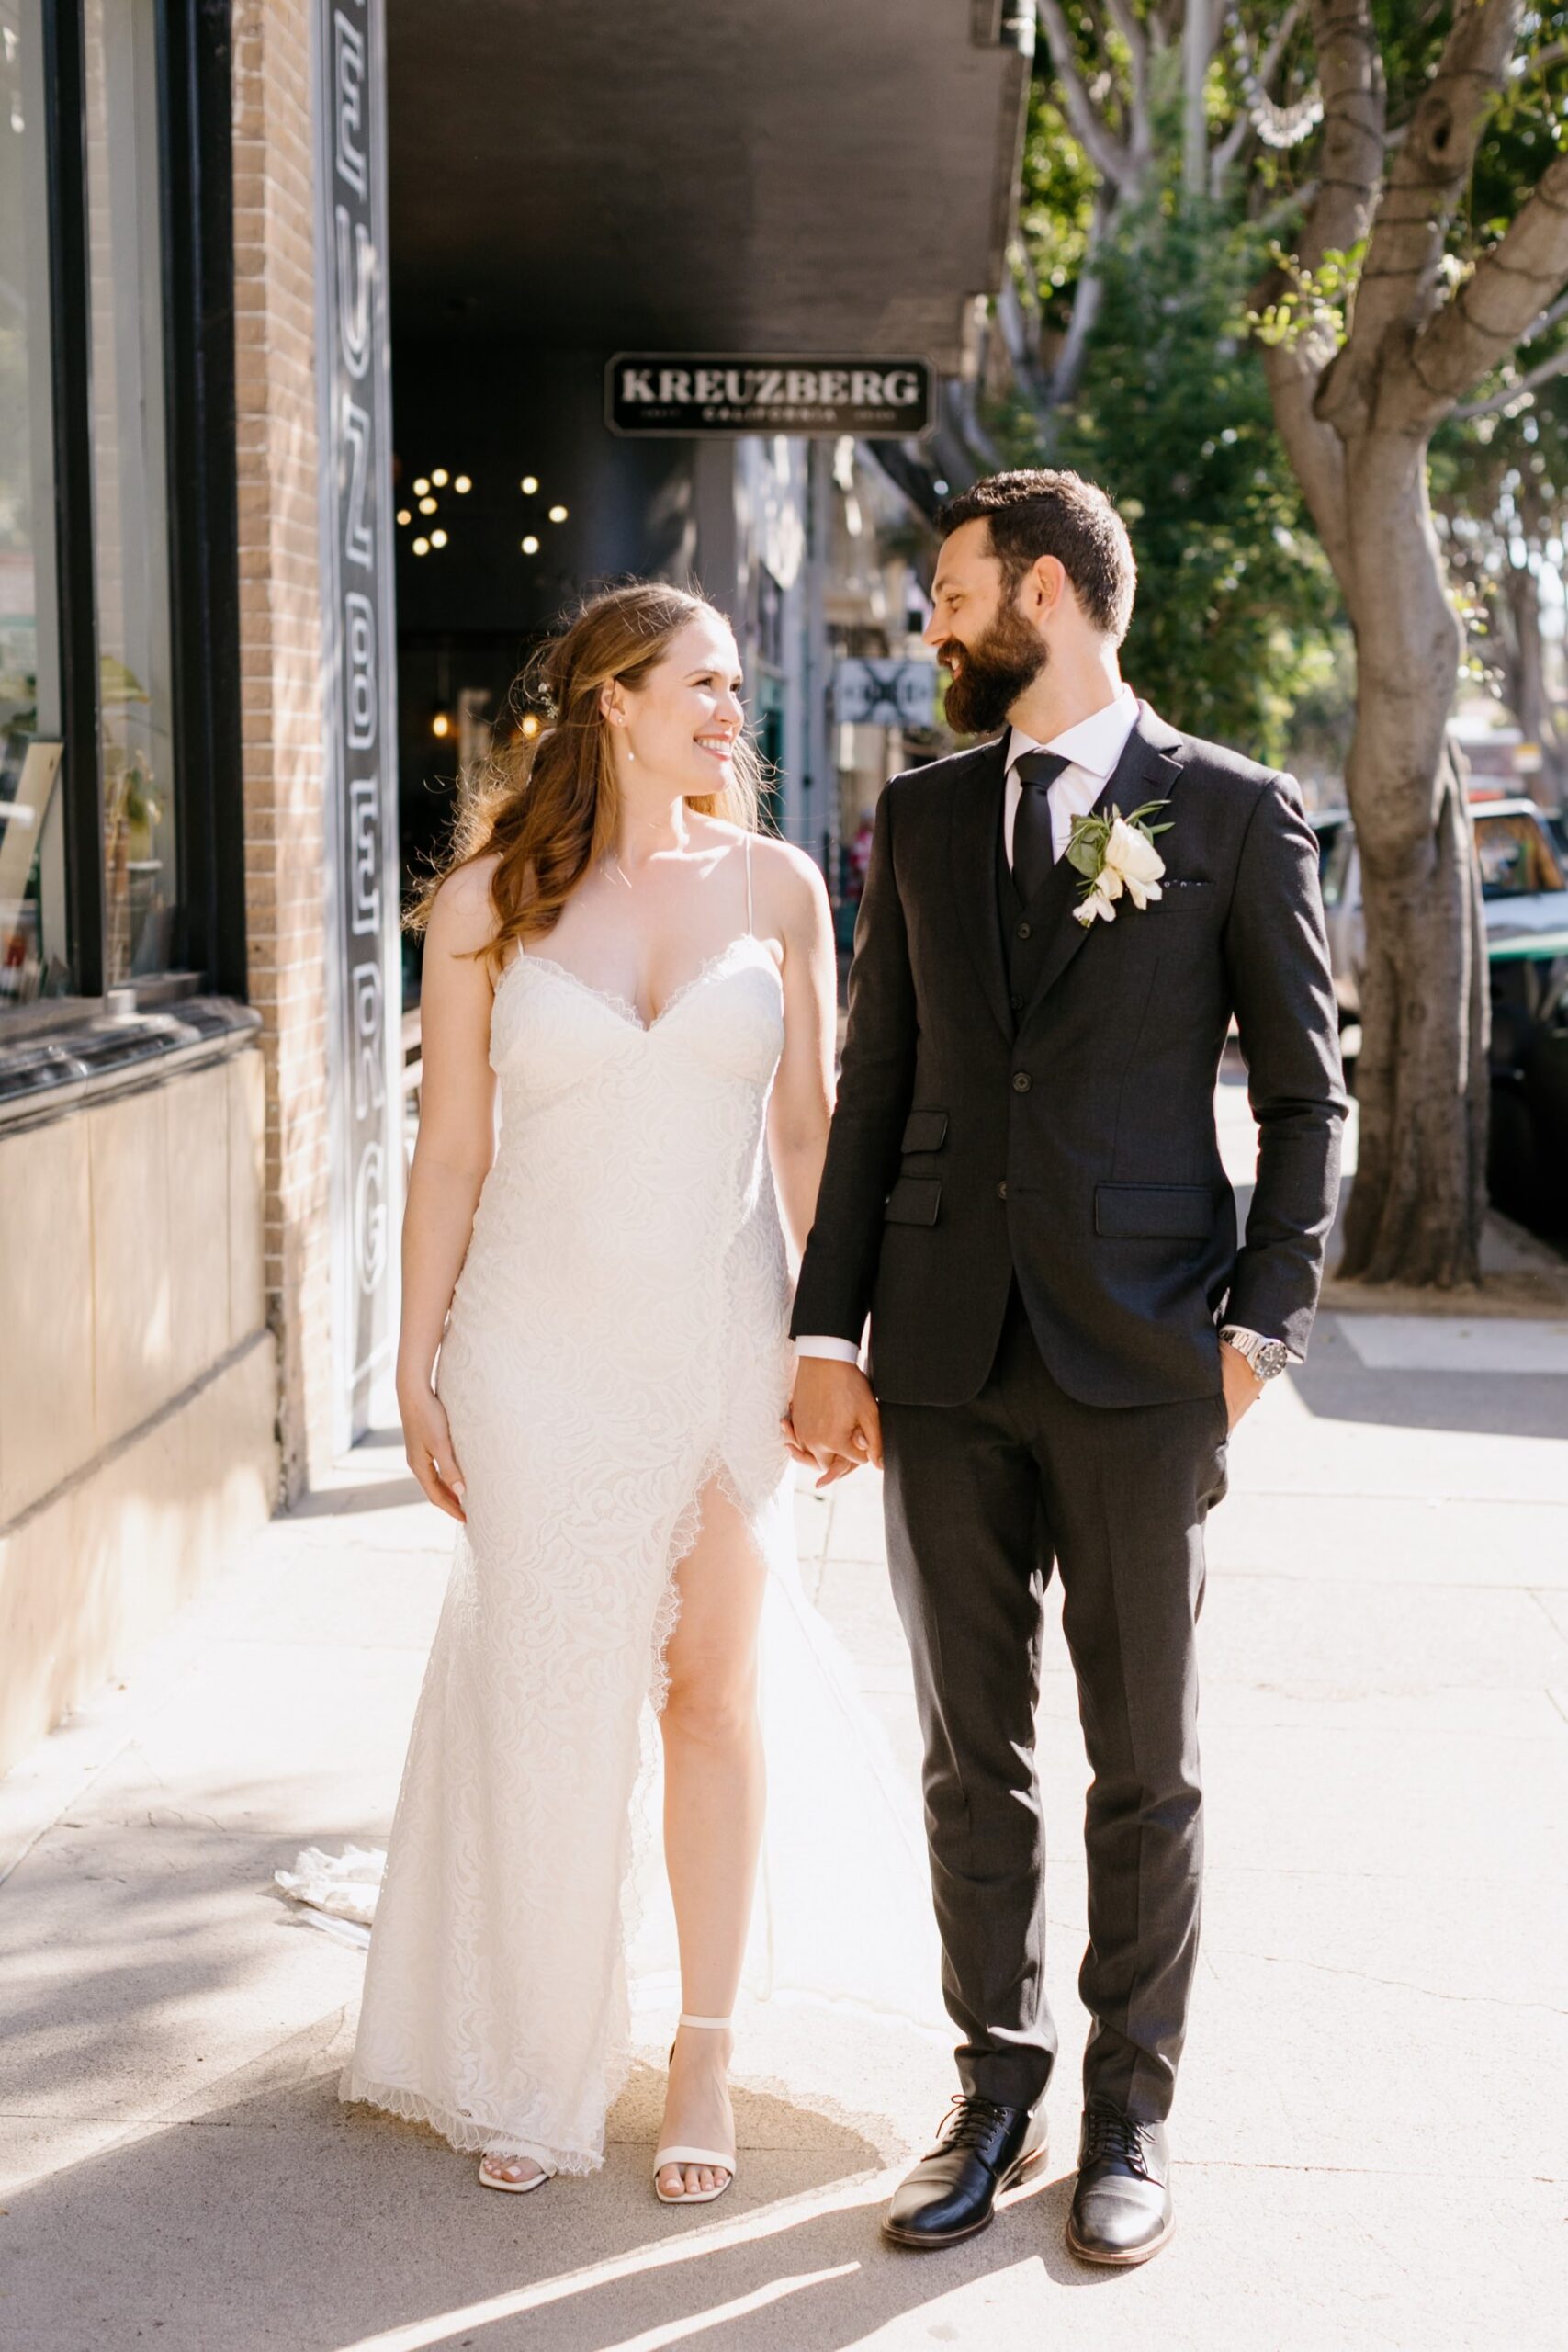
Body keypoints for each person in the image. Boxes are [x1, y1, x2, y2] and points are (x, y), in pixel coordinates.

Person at [787, 469, 1347, 2267]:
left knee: (1142, 1762)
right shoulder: (930, 814)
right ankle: (991, 2086)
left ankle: (1128, 2114)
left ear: (1042, 590)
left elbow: (1302, 1098)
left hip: (1142, 1352)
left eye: (951, 594)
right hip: (940, 1353)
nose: (932, 625)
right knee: (970, 1753)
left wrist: (1256, 1332)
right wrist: (825, 1329)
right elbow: (878, 1086)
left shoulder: (1234, 811)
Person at [341, 582, 844, 2202]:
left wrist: (839, 1345)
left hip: (720, 1339)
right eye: (701, 683)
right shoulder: (488, 898)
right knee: (552, 1707)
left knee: (710, 1690)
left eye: (735, 688)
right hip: (532, 1349)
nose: (728, 711)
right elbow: (452, 1155)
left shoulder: (780, 887)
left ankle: (703, 2048)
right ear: (613, 699)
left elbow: (809, 1137)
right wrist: (414, 1362)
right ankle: (549, 2047)